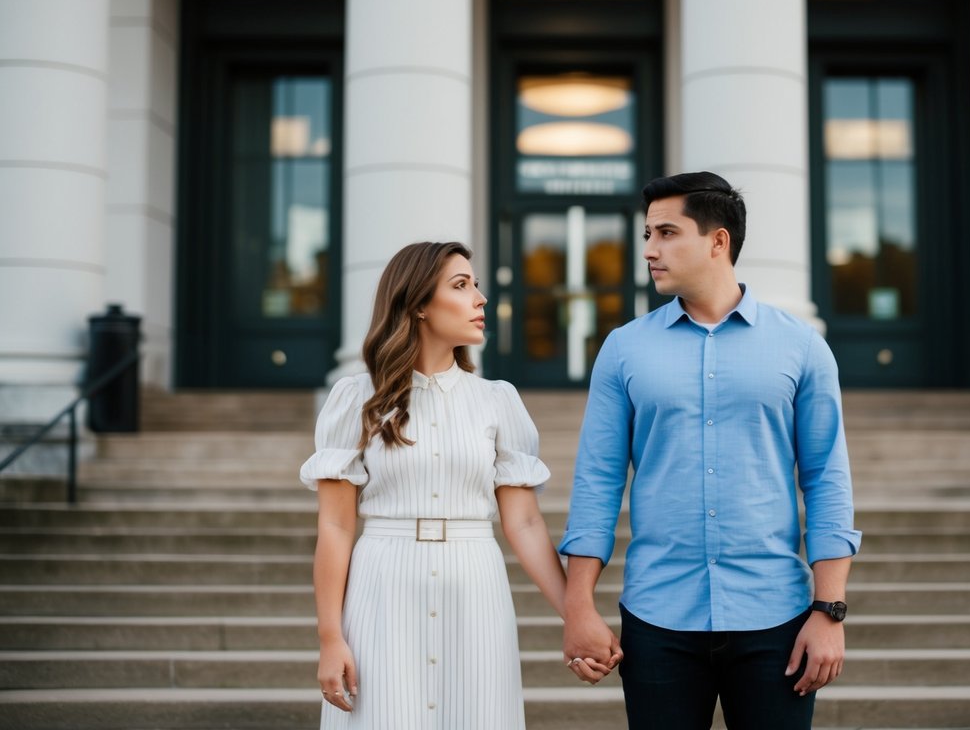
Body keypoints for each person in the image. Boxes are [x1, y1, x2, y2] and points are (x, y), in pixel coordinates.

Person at [559, 172, 862, 729]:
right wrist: (578, 604)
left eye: (667, 233)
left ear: (718, 241)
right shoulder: (624, 348)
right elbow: (598, 481)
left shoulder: (802, 347)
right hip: (657, 619)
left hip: (778, 620)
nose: (649, 250)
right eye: (648, 234)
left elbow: (826, 480)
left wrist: (830, 610)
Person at [300, 241, 610, 729]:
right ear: (419, 304)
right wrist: (329, 637)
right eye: (461, 286)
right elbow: (336, 527)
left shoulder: (498, 400)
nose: (480, 299)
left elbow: (525, 523)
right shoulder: (356, 398)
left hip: (476, 587)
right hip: (382, 585)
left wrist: (576, 613)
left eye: (477, 285)